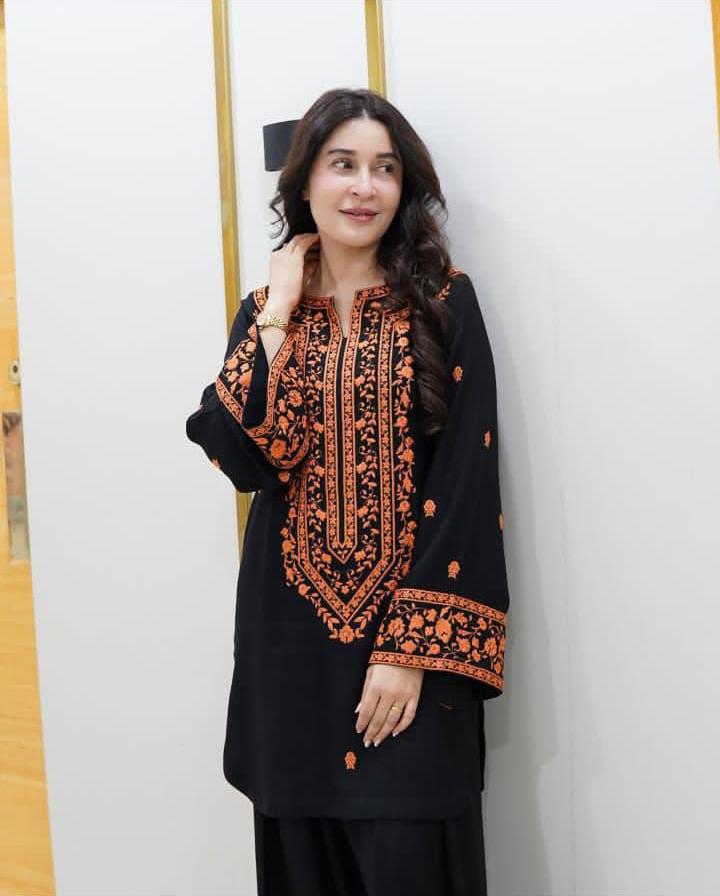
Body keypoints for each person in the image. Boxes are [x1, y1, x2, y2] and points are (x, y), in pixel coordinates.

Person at [185, 88, 510, 896]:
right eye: (344, 165)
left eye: (385, 169)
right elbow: (242, 457)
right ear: (304, 184)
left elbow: (467, 483)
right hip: (287, 656)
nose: (365, 186)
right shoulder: (267, 312)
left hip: (406, 671)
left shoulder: (441, 303)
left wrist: (409, 655)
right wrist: (277, 315)